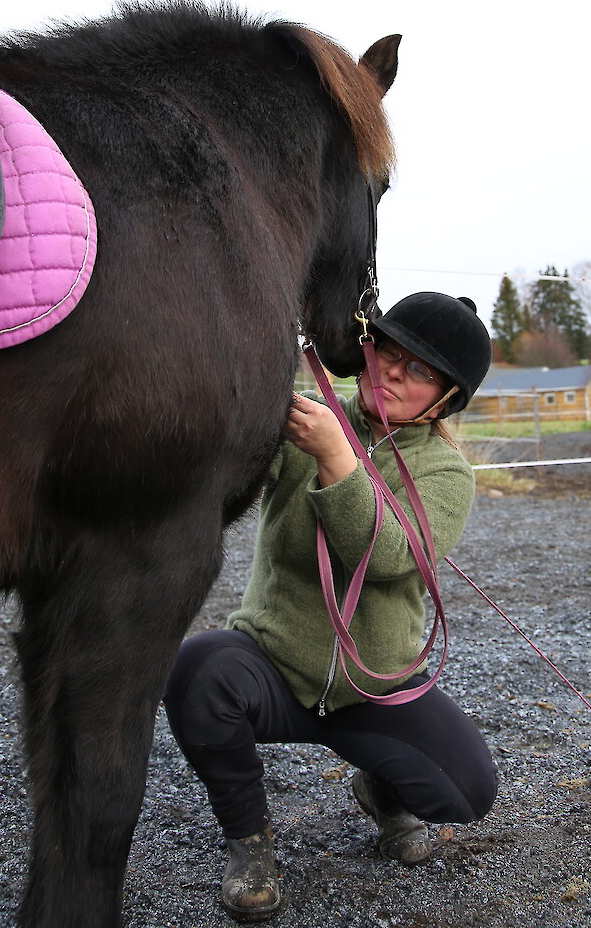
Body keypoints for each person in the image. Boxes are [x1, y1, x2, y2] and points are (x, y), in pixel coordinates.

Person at [163, 292, 497, 922]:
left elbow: (393, 557)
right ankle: (249, 841)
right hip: (275, 665)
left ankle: (381, 788)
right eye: (388, 353)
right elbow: (221, 455)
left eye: (419, 370)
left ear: (447, 397)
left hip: (373, 686)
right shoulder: (304, 420)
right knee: (197, 669)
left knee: (467, 790)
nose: (392, 373)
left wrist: (335, 456)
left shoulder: (449, 474)